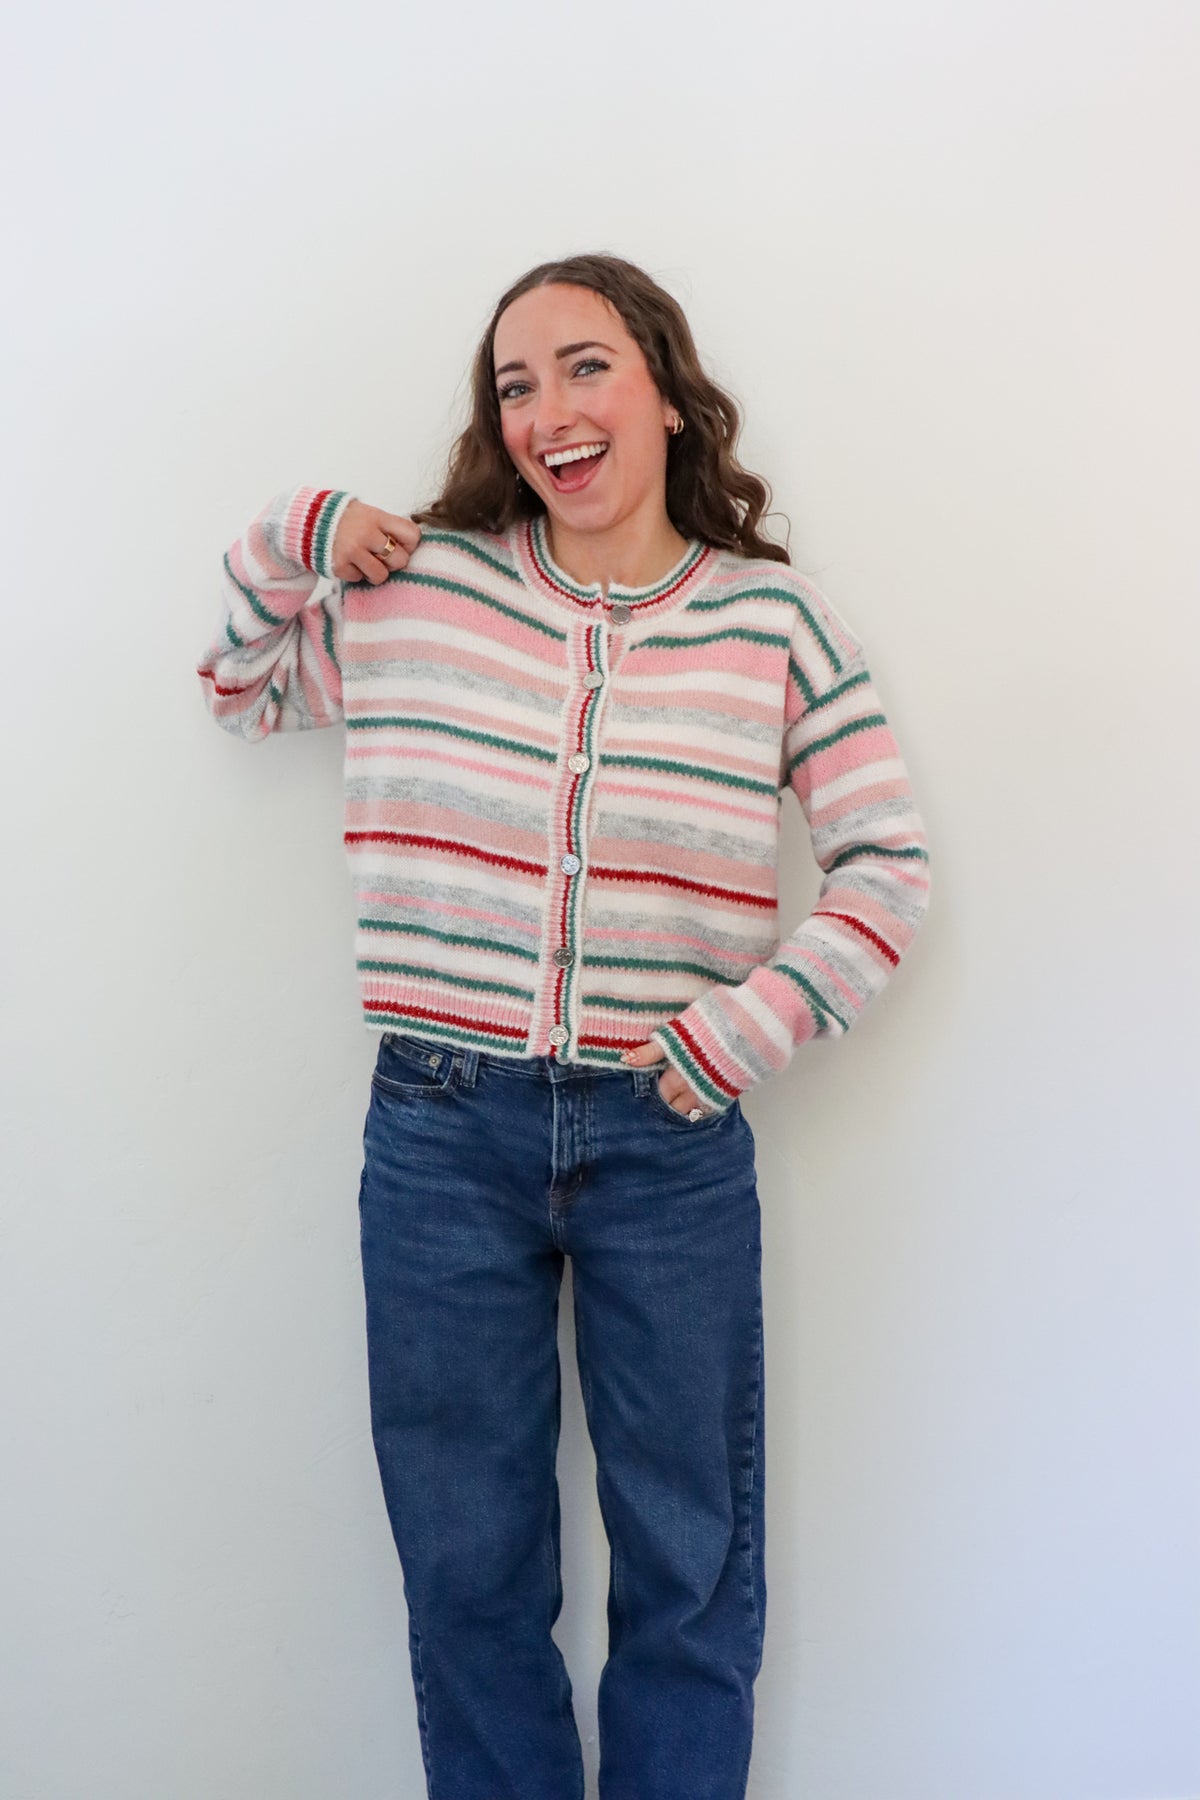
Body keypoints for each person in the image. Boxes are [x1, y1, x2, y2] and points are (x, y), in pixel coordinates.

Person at [197, 252, 931, 1800]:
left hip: (667, 1134)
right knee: (468, 1571)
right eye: (514, 386)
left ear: (665, 390)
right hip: (440, 1131)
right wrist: (295, 540)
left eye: (585, 366)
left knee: (690, 1562)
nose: (549, 410)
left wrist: (745, 1031)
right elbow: (241, 684)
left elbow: (886, 864)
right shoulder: (424, 591)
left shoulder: (770, 620)